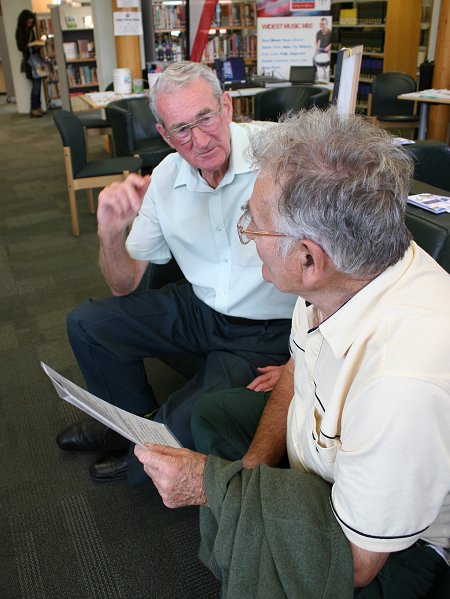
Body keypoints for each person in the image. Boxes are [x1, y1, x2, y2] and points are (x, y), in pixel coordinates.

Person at [135, 107, 450, 598]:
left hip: (395, 553)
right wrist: (251, 474)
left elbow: (358, 562)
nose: (249, 239)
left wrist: (213, 486)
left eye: (254, 226)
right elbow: (299, 368)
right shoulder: (341, 276)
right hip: (323, 459)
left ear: (308, 257)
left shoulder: (401, 382)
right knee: (213, 413)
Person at [56, 61, 296, 485]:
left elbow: (341, 263)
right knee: (90, 324)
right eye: (181, 129)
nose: (199, 140)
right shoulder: (166, 176)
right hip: (199, 308)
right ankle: (128, 427)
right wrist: (110, 234)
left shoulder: (281, 154)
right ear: (164, 134)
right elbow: (123, 284)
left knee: (178, 430)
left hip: (266, 332)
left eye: (205, 118)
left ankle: (132, 446)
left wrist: (301, 366)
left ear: (226, 105)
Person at [15, 10, 46, 118]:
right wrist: (30, 45)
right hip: (29, 62)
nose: (30, 24)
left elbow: (33, 46)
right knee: (36, 85)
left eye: (31, 22)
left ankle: (38, 107)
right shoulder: (20, 31)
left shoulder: (31, 30)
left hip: (36, 60)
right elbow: (20, 47)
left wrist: (37, 45)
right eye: (28, 22)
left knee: (38, 84)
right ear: (24, 21)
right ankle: (34, 108)